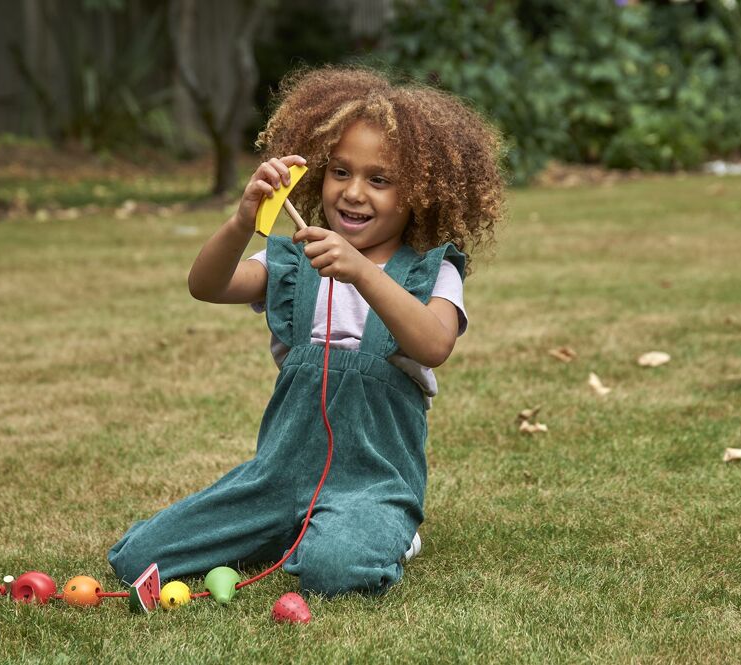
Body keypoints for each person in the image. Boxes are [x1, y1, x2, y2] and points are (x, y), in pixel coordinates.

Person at [108, 67, 504, 597]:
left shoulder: (431, 270)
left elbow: (434, 344)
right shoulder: (296, 260)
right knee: (136, 558)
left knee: (333, 572)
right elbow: (207, 284)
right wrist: (241, 221)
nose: (354, 193)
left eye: (379, 179)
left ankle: (387, 531)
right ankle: (290, 527)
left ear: (421, 193)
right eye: (340, 172)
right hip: (276, 479)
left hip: (372, 483)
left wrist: (362, 271)